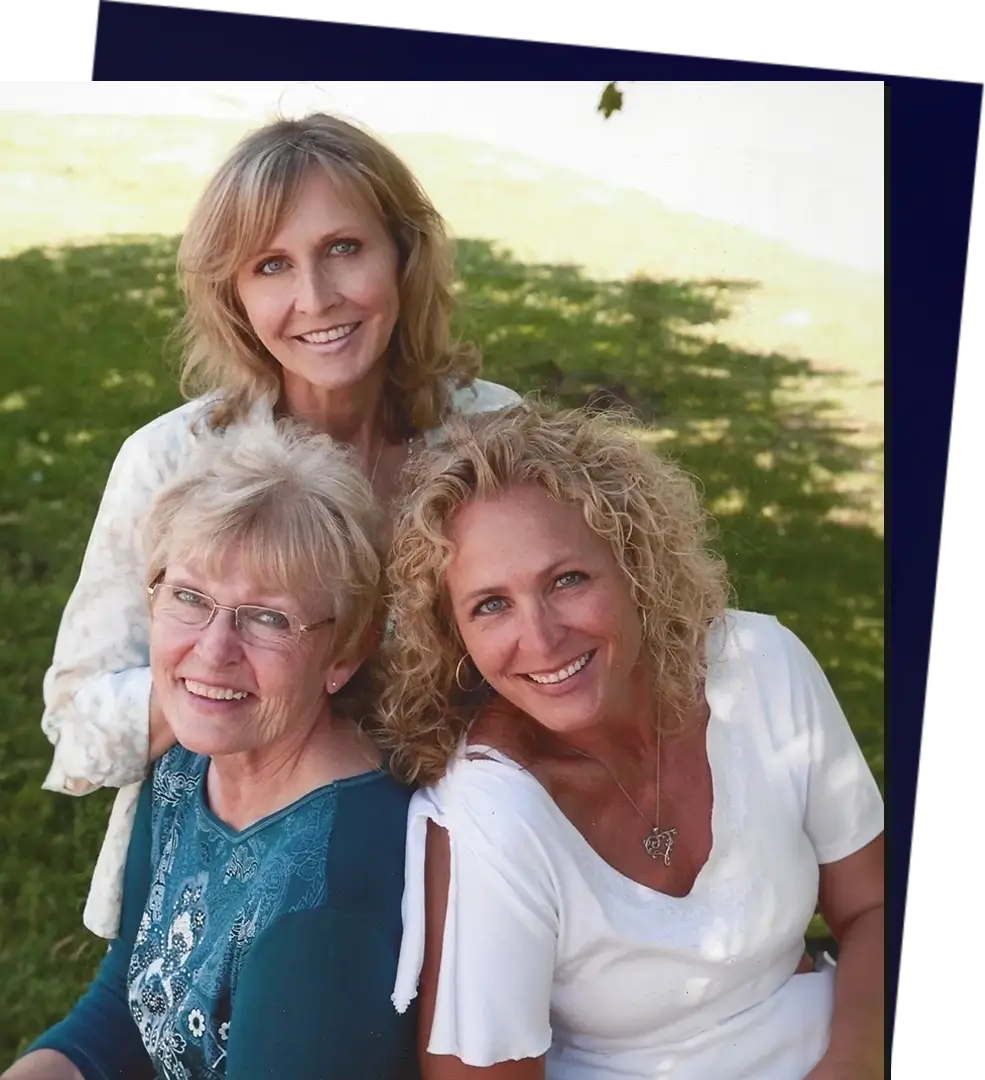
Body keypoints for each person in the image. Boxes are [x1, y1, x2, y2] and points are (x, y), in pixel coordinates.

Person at [38, 111, 520, 939]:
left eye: (343, 248)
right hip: (219, 889)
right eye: (271, 266)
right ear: (234, 295)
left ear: (403, 254)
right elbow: (76, 722)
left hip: (457, 870)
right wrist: (219, 676)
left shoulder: (494, 437)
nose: (315, 299)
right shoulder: (172, 462)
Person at [379, 403, 885, 1080]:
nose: (541, 638)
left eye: (566, 580)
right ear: (456, 636)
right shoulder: (492, 812)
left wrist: (852, 1060)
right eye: (490, 605)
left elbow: (873, 905)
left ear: (633, 566)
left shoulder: (761, 668)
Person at [5, 421, 417, 1080]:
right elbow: (125, 1009)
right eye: (190, 598)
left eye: (268, 617)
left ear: (345, 652)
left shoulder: (329, 896)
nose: (213, 650)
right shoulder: (189, 760)